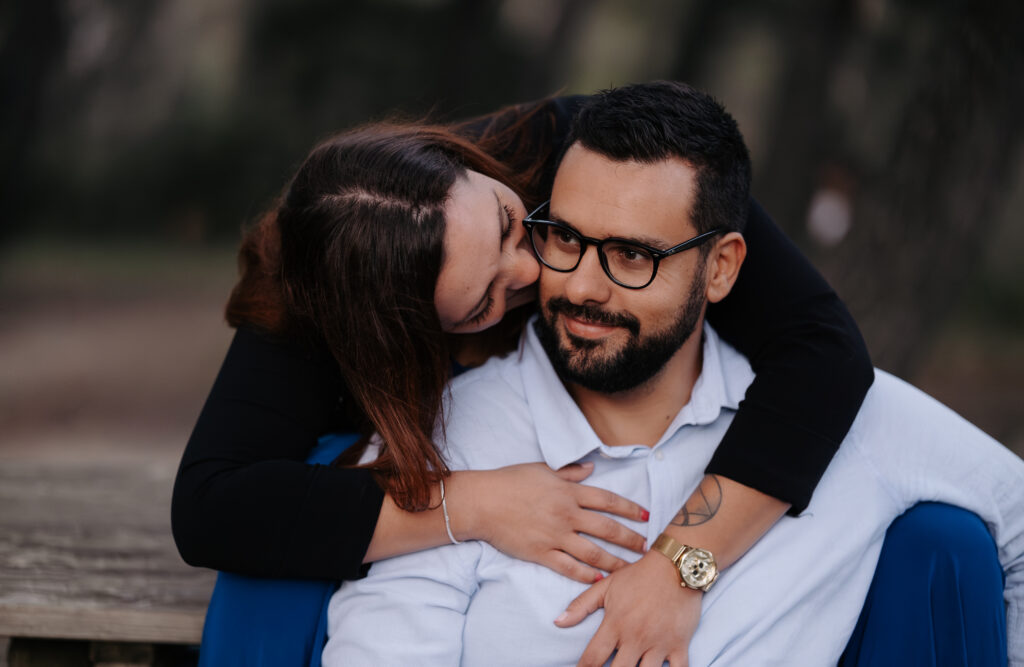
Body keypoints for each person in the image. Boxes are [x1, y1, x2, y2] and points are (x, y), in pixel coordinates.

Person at [323, 81, 1023, 666]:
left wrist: (688, 567)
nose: (582, 285)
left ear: (721, 268)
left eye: (632, 256)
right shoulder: (449, 445)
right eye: (565, 238)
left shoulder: (851, 427)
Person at [172, 91, 873, 662]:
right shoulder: (314, 294)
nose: (538, 273)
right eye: (485, 302)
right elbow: (213, 507)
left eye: (520, 226)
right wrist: (468, 504)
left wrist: (680, 565)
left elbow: (824, 351)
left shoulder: (598, 159)